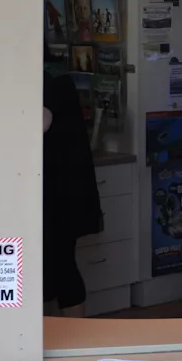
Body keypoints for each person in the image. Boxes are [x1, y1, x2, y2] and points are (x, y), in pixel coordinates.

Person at [43, 68, 104, 314]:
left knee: (58, 266)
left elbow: (40, 123)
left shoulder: (47, 82)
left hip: (57, 192)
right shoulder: (59, 80)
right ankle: (70, 338)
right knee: (63, 265)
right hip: (66, 189)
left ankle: (65, 338)